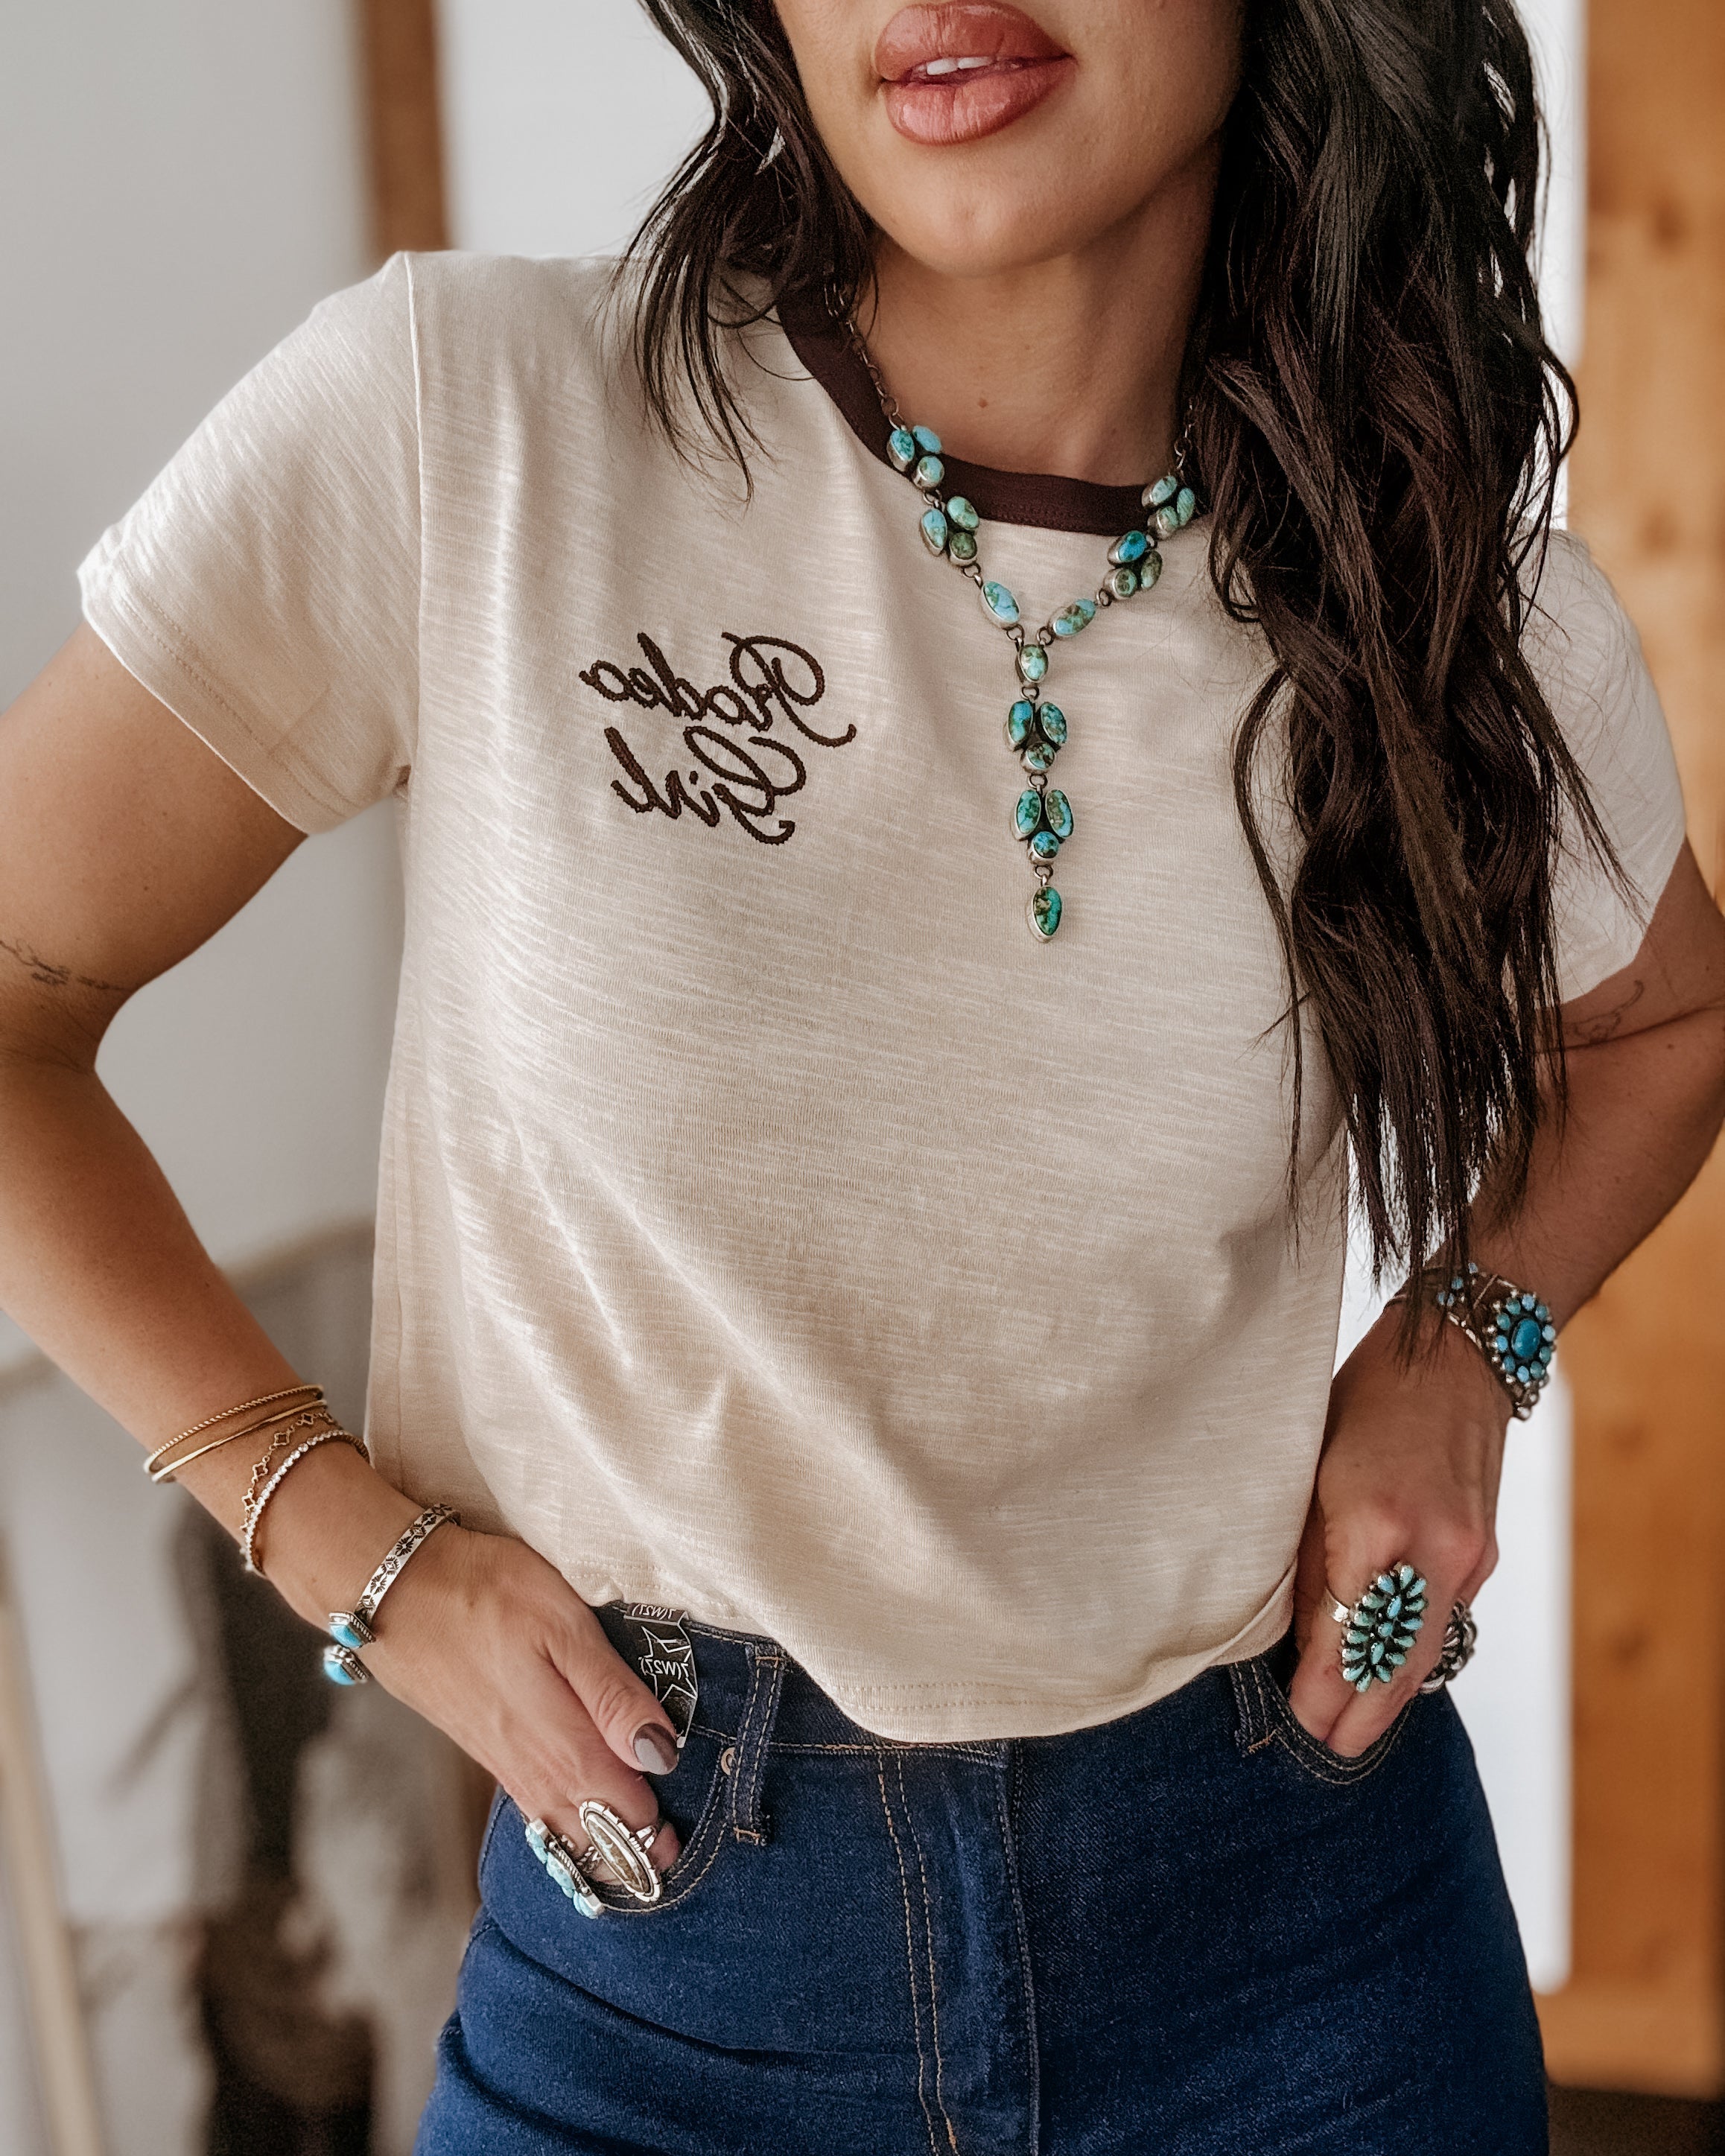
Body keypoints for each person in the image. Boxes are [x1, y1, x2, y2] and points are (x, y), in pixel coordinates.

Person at [3, 0, 1721, 2147]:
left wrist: (1459, 1348)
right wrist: (321, 1520)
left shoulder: (1449, 598)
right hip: (659, 1984)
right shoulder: (477, 421)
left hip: (1305, 1954)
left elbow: (1654, 1028)